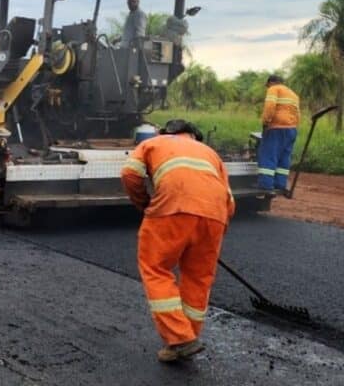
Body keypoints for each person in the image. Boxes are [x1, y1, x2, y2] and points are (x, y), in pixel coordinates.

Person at [120, 120, 235, 363]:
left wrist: (143, 203)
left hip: (171, 209)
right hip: (215, 216)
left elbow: (130, 174)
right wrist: (211, 231)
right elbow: (229, 199)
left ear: (165, 132)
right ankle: (187, 338)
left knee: (156, 269)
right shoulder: (211, 154)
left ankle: (179, 339)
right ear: (194, 135)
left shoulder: (152, 142)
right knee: (199, 277)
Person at [257, 74, 300, 197]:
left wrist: (265, 122)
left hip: (276, 128)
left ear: (271, 82)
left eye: (267, 86)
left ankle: (266, 186)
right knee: (284, 157)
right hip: (292, 129)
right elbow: (298, 114)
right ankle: (280, 185)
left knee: (268, 155)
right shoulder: (293, 94)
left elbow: (270, 106)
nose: (267, 88)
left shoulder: (274, 89)